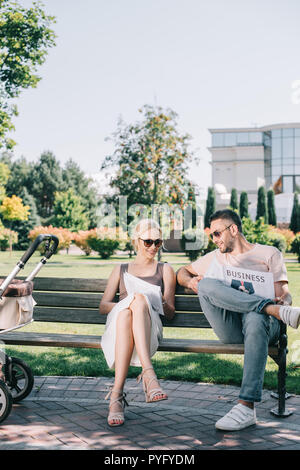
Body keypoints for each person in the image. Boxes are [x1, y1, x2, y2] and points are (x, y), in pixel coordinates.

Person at [177, 209, 300, 431]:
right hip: (232, 330)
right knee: (205, 284)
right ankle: (267, 308)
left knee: (254, 317)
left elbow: (285, 292)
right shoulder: (215, 258)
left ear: (233, 229)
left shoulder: (269, 254)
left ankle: (246, 406)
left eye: (217, 233)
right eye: (212, 235)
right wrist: (191, 283)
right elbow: (182, 271)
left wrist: (284, 302)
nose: (214, 239)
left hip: (263, 328)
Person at [100, 219, 176, 427]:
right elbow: (104, 305)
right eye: (148, 242)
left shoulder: (165, 270)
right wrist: (130, 301)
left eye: (158, 242)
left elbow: (170, 313)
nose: (153, 247)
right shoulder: (121, 269)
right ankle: (149, 376)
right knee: (126, 312)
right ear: (137, 241)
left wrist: (158, 300)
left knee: (140, 301)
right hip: (119, 330)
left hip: (149, 330)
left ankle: (116, 397)